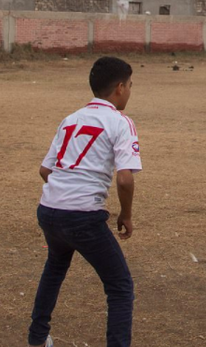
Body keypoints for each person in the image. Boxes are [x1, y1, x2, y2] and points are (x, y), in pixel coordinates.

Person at [29, 57, 141, 347]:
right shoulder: (120, 121)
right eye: (130, 86)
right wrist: (126, 215)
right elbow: (125, 179)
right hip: (83, 217)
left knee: (54, 269)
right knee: (120, 286)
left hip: (50, 211)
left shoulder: (71, 118)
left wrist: (63, 192)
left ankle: (37, 339)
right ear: (119, 88)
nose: (130, 91)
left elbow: (45, 170)